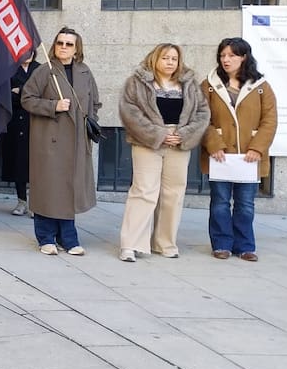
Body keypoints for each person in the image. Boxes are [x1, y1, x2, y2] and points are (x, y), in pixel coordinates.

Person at [115, 44, 209, 262]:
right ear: (155, 59)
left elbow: (203, 113)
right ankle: (131, 244)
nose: (170, 62)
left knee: (173, 193)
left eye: (174, 59)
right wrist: (158, 134)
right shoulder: (137, 82)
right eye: (165, 57)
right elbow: (129, 112)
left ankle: (164, 242)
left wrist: (184, 134)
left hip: (179, 142)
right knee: (144, 191)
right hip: (148, 143)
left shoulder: (190, 84)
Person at [21, 27, 100, 256]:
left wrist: (91, 120)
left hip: (76, 140)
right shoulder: (45, 71)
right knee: (49, 189)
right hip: (49, 140)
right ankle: (45, 237)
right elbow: (27, 99)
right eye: (60, 43)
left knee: (68, 189)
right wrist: (52, 106)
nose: (63, 47)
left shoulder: (85, 72)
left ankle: (68, 237)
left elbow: (94, 102)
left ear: (77, 49)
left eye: (69, 44)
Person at [201, 37, 277, 262]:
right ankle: (222, 244)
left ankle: (245, 246)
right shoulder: (209, 85)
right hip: (220, 156)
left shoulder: (261, 86)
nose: (226, 60)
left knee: (245, 204)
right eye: (223, 55)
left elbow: (269, 120)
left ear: (244, 57)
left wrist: (257, 148)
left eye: (232, 55)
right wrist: (214, 144)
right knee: (220, 202)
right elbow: (201, 117)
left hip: (249, 157)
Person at [1, 51, 39, 216]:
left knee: (36, 163)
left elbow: (41, 95)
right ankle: (21, 201)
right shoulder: (10, 70)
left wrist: (21, 90)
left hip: (35, 122)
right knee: (18, 162)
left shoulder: (40, 70)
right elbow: (6, 95)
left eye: (30, 51)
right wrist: (26, 95)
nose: (28, 54)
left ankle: (36, 203)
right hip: (15, 122)